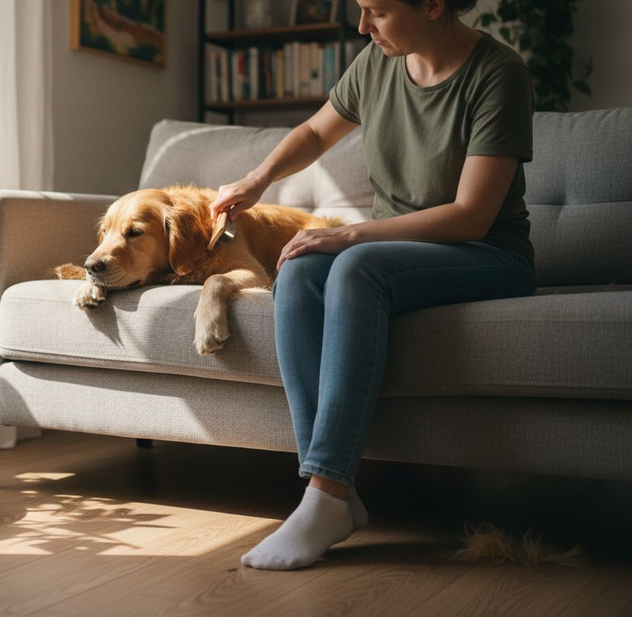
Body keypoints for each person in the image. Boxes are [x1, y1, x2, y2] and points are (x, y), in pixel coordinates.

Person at [207, 0, 537, 570]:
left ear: (433, 5)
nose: (362, 25)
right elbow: (315, 131)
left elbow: (471, 216)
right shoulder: (378, 61)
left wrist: (353, 234)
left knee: (354, 264)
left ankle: (328, 494)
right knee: (302, 267)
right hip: (398, 250)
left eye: (376, 10)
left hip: (488, 254)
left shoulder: (498, 74)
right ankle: (327, 491)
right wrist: (257, 178)